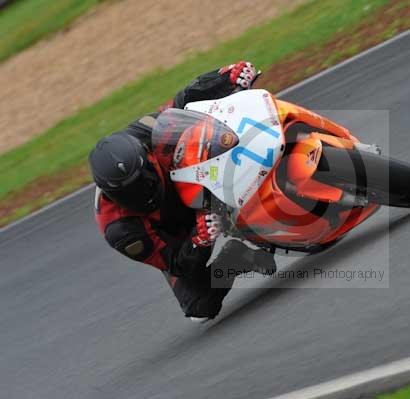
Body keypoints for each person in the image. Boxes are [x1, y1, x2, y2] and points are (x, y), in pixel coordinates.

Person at [89, 61, 276, 321]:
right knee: (198, 307)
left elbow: (183, 103)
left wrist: (224, 78)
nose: (141, 190)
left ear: (143, 154)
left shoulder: (140, 135)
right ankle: (235, 259)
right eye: (130, 191)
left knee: (215, 133)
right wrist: (198, 239)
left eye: (141, 179)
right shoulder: (121, 230)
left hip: (194, 178)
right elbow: (174, 262)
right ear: (111, 194)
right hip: (181, 232)